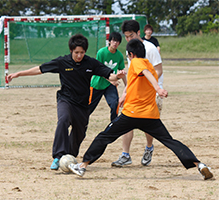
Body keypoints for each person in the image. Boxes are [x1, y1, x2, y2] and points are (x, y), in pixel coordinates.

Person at [68, 39, 214, 181]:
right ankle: (199, 164)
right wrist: (123, 96)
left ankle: (83, 165)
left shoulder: (137, 63)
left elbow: (145, 73)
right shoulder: (149, 64)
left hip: (131, 114)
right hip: (150, 116)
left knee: (104, 137)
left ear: (131, 54)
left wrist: (158, 88)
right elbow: (136, 82)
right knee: (170, 141)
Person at [7, 34, 126, 171]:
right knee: (63, 120)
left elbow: (107, 74)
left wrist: (117, 76)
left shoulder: (90, 63)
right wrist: (19, 74)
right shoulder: (62, 62)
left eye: (82, 52)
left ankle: (69, 156)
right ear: (71, 51)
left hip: (82, 104)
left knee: (80, 132)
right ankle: (58, 156)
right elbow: (40, 69)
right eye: (76, 52)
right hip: (66, 100)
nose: (79, 55)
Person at [111, 19, 163, 167]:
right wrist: (124, 93)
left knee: (149, 124)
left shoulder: (150, 48)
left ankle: (148, 147)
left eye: (131, 35)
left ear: (138, 33)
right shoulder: (130, 50)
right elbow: (134, 74)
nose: (128, 39)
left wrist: (149, 84)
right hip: (134, 93)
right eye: (126, 36)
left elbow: (158, 70)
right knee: (127, 120)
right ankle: (125, 154)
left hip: (151, 92)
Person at [89, 32, 127, 121]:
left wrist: (127, 86)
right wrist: (111, 80)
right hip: (97, 84)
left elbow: (122, 71)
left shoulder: (119, 55)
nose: (115, 43)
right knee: (88, 108)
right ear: (109, 41)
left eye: (118, 41)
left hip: (109, 85)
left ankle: (113, 125)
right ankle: (80, 123)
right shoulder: (101, 52)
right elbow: (98, 70)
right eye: (113, 40)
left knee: (115, 104)